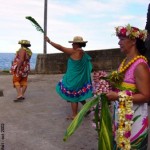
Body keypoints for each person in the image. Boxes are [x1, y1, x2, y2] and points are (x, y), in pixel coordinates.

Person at [106, 24, 150, 150]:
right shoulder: (125, 62)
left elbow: (146, 96)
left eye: (122, 39)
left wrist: (117, 96)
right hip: (122, 116)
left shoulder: (140, 66)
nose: (119, 42)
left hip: (134, 120)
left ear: (133, 41)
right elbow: (122, 85)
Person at [45, 36, 93, 119]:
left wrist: (50, 42)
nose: (72, 45)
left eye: (73, 43)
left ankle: (74, 115)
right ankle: (87, 108)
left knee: (73, 96)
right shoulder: (83, 53)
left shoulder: (74, 51)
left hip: (74, 78)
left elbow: (60, 47)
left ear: (77, 44)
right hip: (79, 78)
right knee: (79, 94)